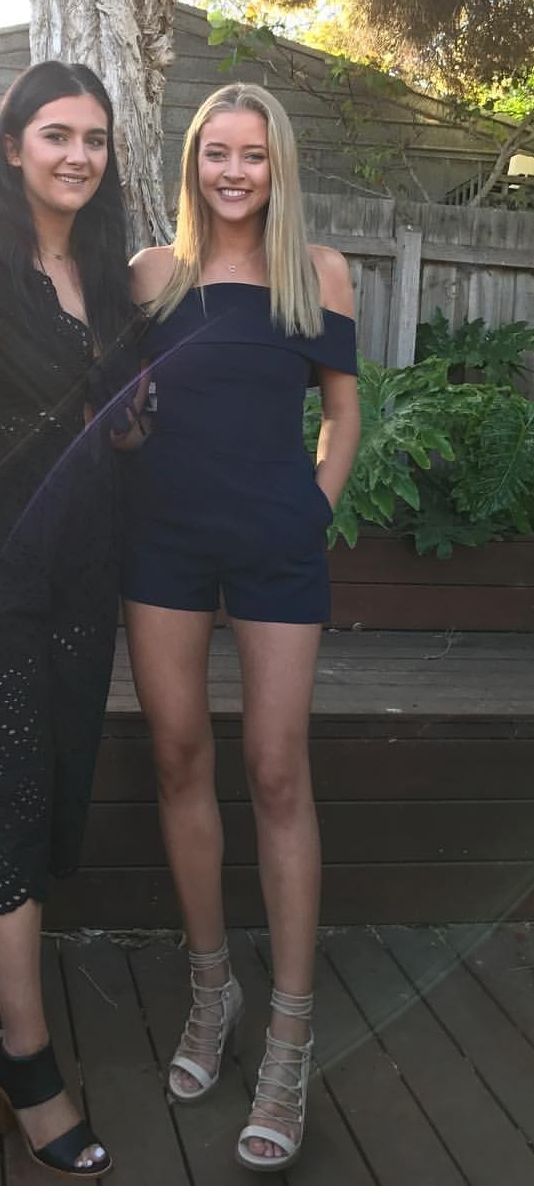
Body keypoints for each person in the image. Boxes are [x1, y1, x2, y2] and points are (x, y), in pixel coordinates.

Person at [122, 81, 360, 1172]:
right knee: (178, 755)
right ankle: (211, 992)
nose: (232, 172)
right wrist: (125, 436)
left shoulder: (319, 273)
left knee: (274, 769)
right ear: (194, 164)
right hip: (164, 546)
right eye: (215, 153)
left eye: (251, 155)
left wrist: (314, 508)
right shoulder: (152, 275)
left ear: (278, 166)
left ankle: (291, 1038)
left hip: (276, 546)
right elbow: (124, 417)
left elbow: (342, 412)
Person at [0, 61, 141, 1177]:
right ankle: (28, 1055)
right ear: (12, 147)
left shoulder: (108, 276)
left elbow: (114, 427)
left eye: (94, 138)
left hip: (82, 575)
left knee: (48, 792)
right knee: (15, 797)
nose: (77, 155)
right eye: (56, 134)